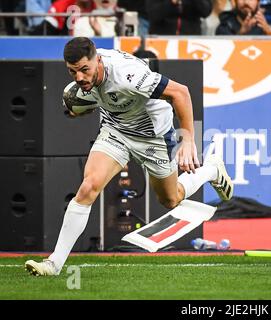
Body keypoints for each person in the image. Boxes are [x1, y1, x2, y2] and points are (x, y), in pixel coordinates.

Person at [25, 37, 234, 276]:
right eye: (73, 72)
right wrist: (75, 109)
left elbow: (181, 93)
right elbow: (79, 105)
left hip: (153, 135)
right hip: (116, 131)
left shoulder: (127, 75)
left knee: (170, 199)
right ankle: (54, 264)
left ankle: (212, 170)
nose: (80, 77)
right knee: (88, 187)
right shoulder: (82, 78)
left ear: (98, 60)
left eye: (85, 70)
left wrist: (189, 140)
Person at [147, 0, 213, 35]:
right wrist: (171, 2)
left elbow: (206, 11)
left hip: (190, 39)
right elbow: (153, 14)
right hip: (162, 39)